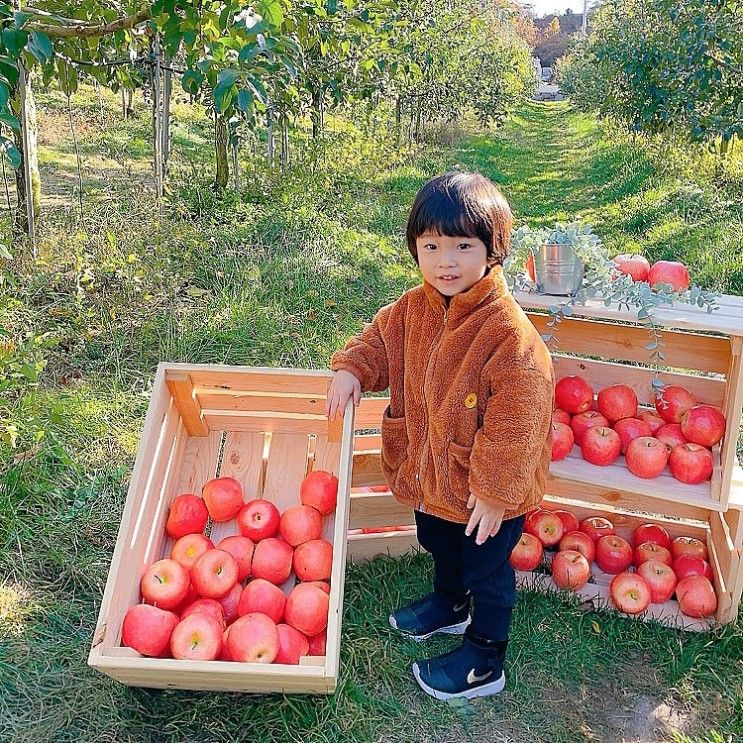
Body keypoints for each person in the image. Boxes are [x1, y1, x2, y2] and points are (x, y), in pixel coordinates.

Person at [325, 171, 554, 701]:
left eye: (462, 246)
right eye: (431, 246)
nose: (445, 261)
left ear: (493, 251)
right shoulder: (413, 308)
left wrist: (496, 492)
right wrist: (353, 370)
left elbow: (518, 423)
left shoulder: (509, 336)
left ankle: (484, 657)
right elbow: (379, 341)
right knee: (438, 542)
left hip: (484, 490)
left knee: (488, 568)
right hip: (432, 474)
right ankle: (450, 603)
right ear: (415, 248)